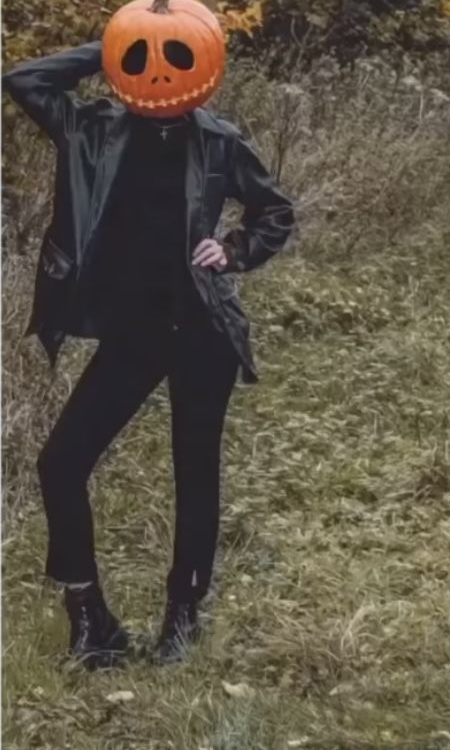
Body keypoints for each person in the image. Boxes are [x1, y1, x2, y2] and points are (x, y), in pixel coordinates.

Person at [3, 36, 295, 668]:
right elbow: (24, 80)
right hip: (130, 333)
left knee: (194, 472)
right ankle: (89, 618)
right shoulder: (90, 129)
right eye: (142, 61)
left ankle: (182, 617)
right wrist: (110, 44)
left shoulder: (218, 138)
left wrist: (235, 249)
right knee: (60, 464)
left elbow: (275, 210)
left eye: (173, 58)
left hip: (201, 331)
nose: (158, 75)